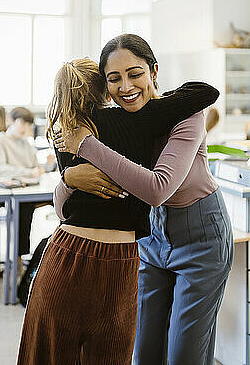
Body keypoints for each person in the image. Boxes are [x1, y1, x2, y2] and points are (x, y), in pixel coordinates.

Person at [17, 50, 218, 364]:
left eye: (133, 75)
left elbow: (61, 210)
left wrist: (69, 175)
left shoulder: (65, 132)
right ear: (103, 88)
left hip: (64, 252)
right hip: (120, 256)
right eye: (114, 79)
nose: (124, 87)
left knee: (48, 354)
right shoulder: (132, 121)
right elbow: (205, 93)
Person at [0, 107, 52, 261]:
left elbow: (37, 169)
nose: (26, 128)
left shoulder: (27, 144)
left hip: (28, 190)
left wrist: (48, 165)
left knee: (61, 201)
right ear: (11, 121)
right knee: (24, 207)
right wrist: (29, 172)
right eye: (23, 123)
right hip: (7, 193)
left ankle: (52, 255)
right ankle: (18, 257)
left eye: (29, 125)